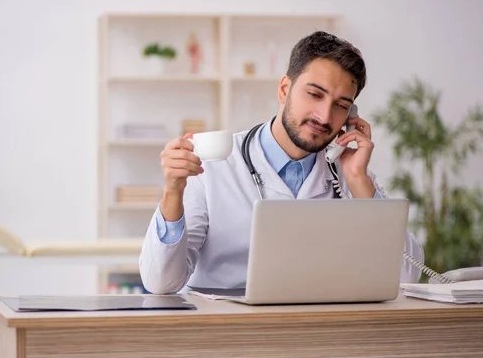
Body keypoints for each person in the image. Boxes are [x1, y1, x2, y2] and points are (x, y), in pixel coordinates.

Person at [139, 31, 424, 294]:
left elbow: (407, 277)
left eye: (341, 105)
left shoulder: (350, 173)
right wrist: (172, 191)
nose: (324, 117)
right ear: (284, 89)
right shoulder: (213, 166)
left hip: (315, 334)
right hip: (225, 334)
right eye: (314, 94)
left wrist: (359, 180)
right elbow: (161, 283)